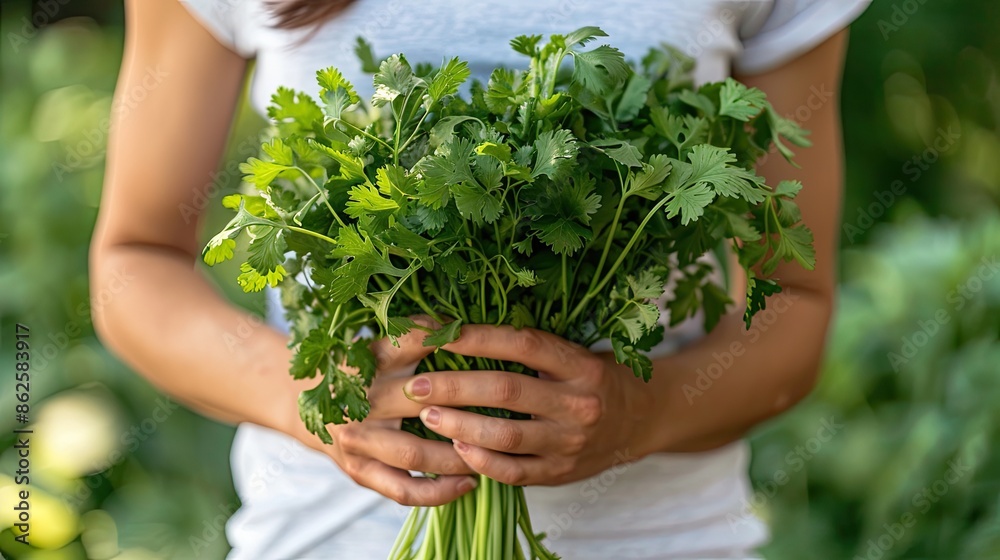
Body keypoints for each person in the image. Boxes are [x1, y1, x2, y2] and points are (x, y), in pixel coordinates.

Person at [90, 0, 870, 558]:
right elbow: (135, 261)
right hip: (324, 540)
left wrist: (642, 413)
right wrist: (298, 396)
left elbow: (793, 304)